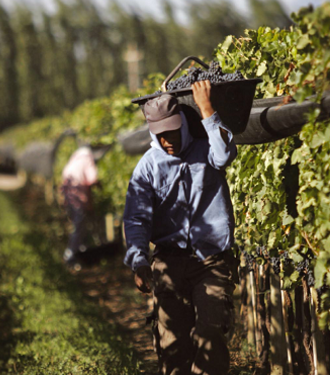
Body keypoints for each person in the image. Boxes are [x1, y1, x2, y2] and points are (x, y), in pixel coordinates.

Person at [123, 80, 238, 375]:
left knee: (210, 333)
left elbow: (225, 155)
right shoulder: (148, 167)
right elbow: (136, 218)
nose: (168, 141)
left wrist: (207, 110)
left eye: (172, 132)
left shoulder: (206, 150)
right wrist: (138, 260)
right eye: (160, 136)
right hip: (169, 262)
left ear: (183, 124)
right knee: (173, 345)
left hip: (211, 260)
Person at [61, 145, 99, 269]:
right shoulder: (87, 158)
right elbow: (92, 178)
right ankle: (70, 254)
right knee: (79, 227)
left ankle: (77, 253)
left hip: (70, 198)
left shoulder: (74, 159)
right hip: (78, 198)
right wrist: (99, 186)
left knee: (77, 226)